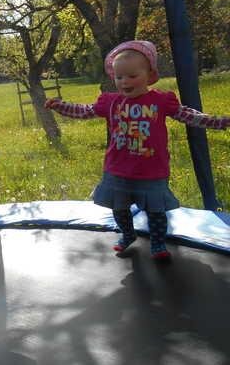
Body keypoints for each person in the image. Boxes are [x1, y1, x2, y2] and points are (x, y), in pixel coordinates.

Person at [45, 40, 229, 260]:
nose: (125, 81)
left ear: (150, 76)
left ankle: (158, 243)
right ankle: (127, 234)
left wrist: (220, 121)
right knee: (119, 209)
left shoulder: (161, 101)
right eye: (119, 77)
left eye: (132, 76)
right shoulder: (111, 102)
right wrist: (61, 106)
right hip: (117, 170)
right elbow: (84, 111)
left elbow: (190, 116)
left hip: (152, 171)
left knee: (156, 211)